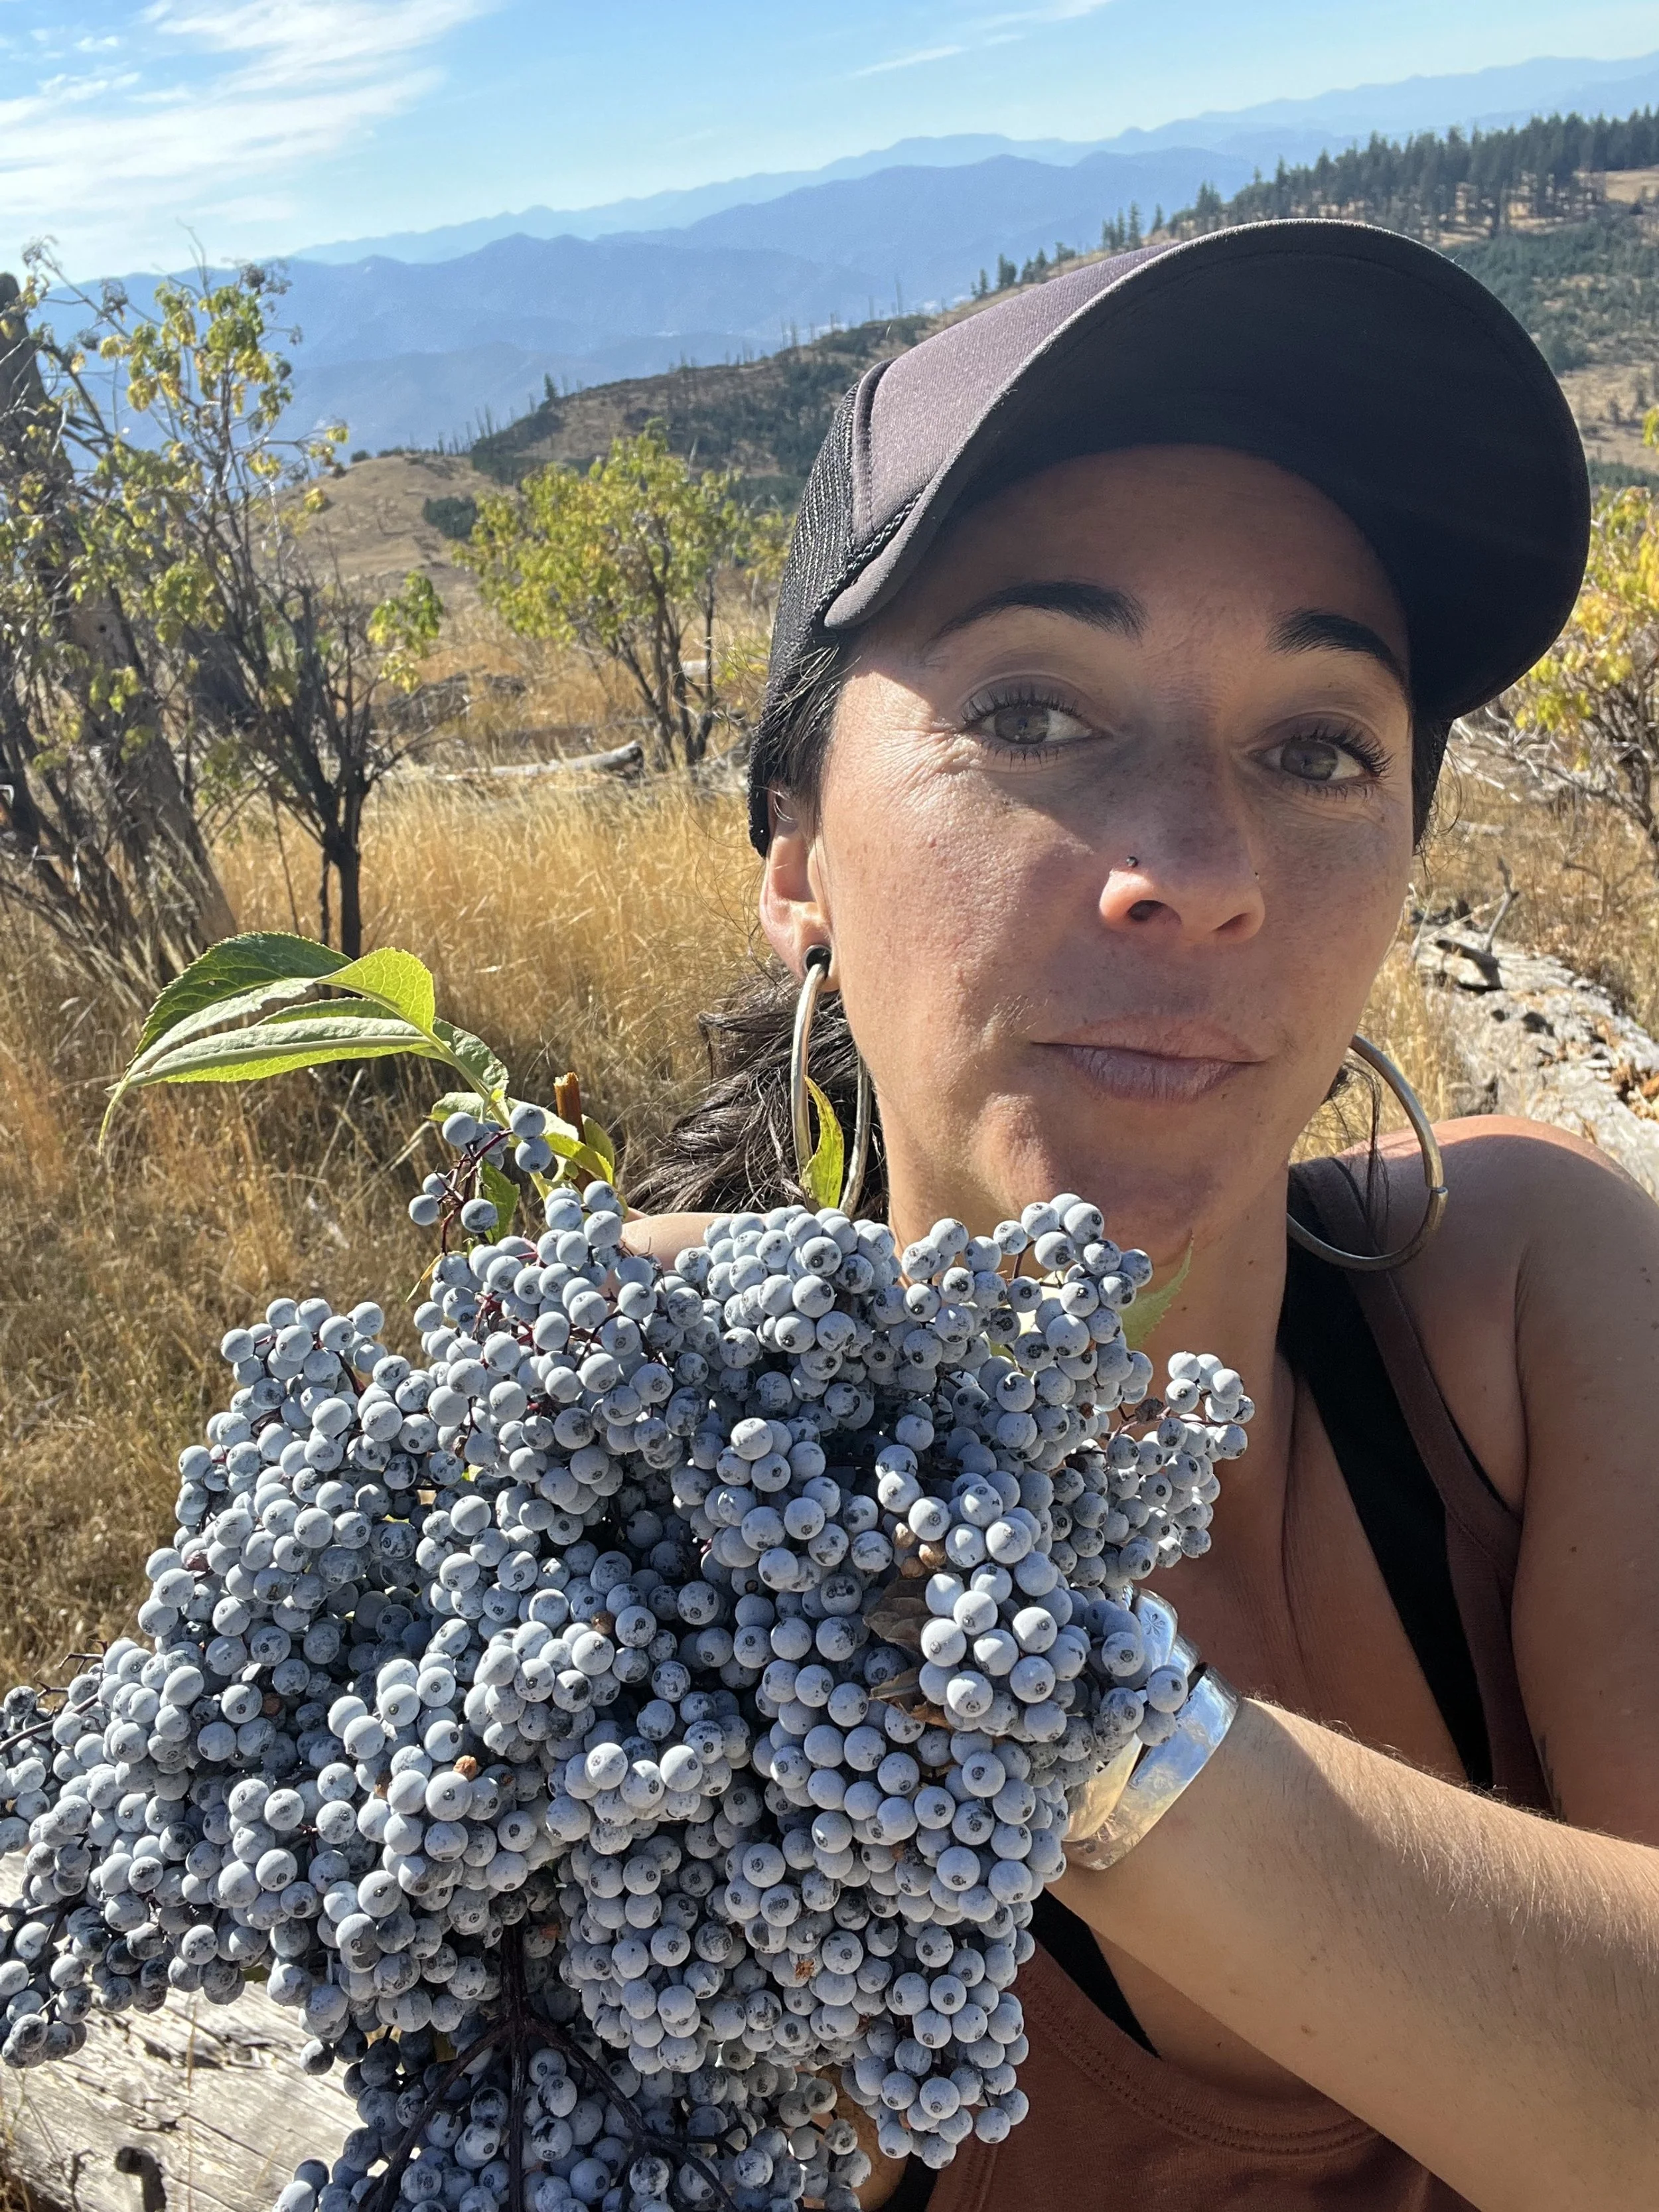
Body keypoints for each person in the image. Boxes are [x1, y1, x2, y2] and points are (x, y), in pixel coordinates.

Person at [625, 222, 1659, 2209]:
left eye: (1314, 747)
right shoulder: (659, 1584)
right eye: (1032, 711)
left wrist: (1035, 1686)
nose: (1194, 871)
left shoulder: (1525, 1293)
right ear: (795, 863)